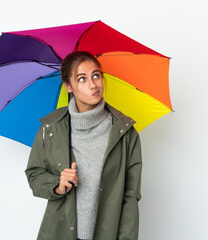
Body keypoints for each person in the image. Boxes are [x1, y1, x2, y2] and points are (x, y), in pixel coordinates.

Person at [25, 51, 142, 240]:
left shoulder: (126, 133)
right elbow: (34, 174)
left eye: (96, 75)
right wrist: (57, 185)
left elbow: (130, 197)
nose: (93, 84)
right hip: (59, 233)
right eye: (82, 79)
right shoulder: (51, 127)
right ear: (68, 86)